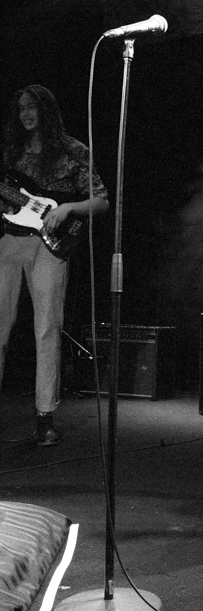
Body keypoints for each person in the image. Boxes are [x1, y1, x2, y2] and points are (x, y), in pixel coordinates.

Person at [0, 84, 109, 445]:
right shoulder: (13, 152)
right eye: (20, 108)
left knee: (47, 329)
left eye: (31, 107)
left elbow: (101, 201)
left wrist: (67, 209)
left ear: (46, 109)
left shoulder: (73, 150)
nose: (25, 114)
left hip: (50, 246)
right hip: (10, 240)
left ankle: (45, 417)